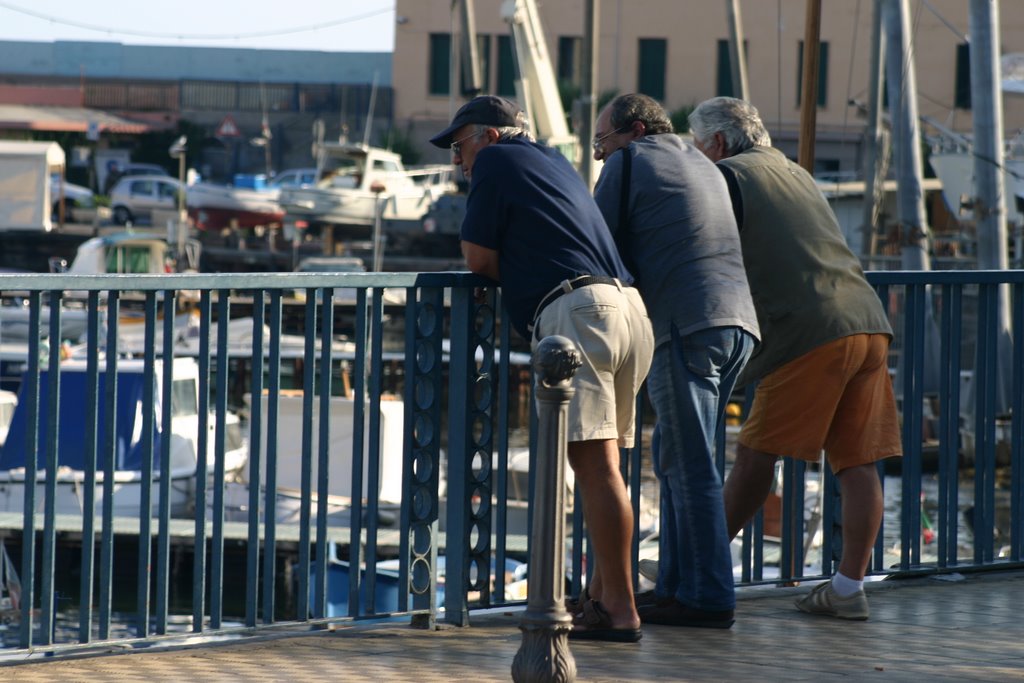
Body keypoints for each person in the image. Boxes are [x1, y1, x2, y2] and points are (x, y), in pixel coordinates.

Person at [429, 95, 655, 642]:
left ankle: (621, 611)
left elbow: (477, 258)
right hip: (627, 309)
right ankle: (602, 600)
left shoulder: (496, 163)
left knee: (596, 468)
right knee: (610, 470)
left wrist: (519, 270)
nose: (459, 162)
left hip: (580, 313)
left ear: (487, 136)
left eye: (459, 147)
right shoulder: (552, 160)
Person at [688, 96, 903, 620]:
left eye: (697, 145)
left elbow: (701, 250)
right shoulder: (795, 171)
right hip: (866, 320)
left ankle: (697, 572)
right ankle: (848, 589)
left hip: (808, 330)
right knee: (856, 461)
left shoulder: (726, 178)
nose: (697, 155)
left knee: (756, 455)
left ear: (716, 143)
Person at [590, 93, 759, 629]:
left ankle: (708, 598)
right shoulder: (698, 158)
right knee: (676, 454)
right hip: (738, 324)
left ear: (633, 131)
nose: (600, 156)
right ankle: (674, 588)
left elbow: (595, 244)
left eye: (603, 142)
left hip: (684, 325)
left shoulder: (631, 160)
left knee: (690, 468)